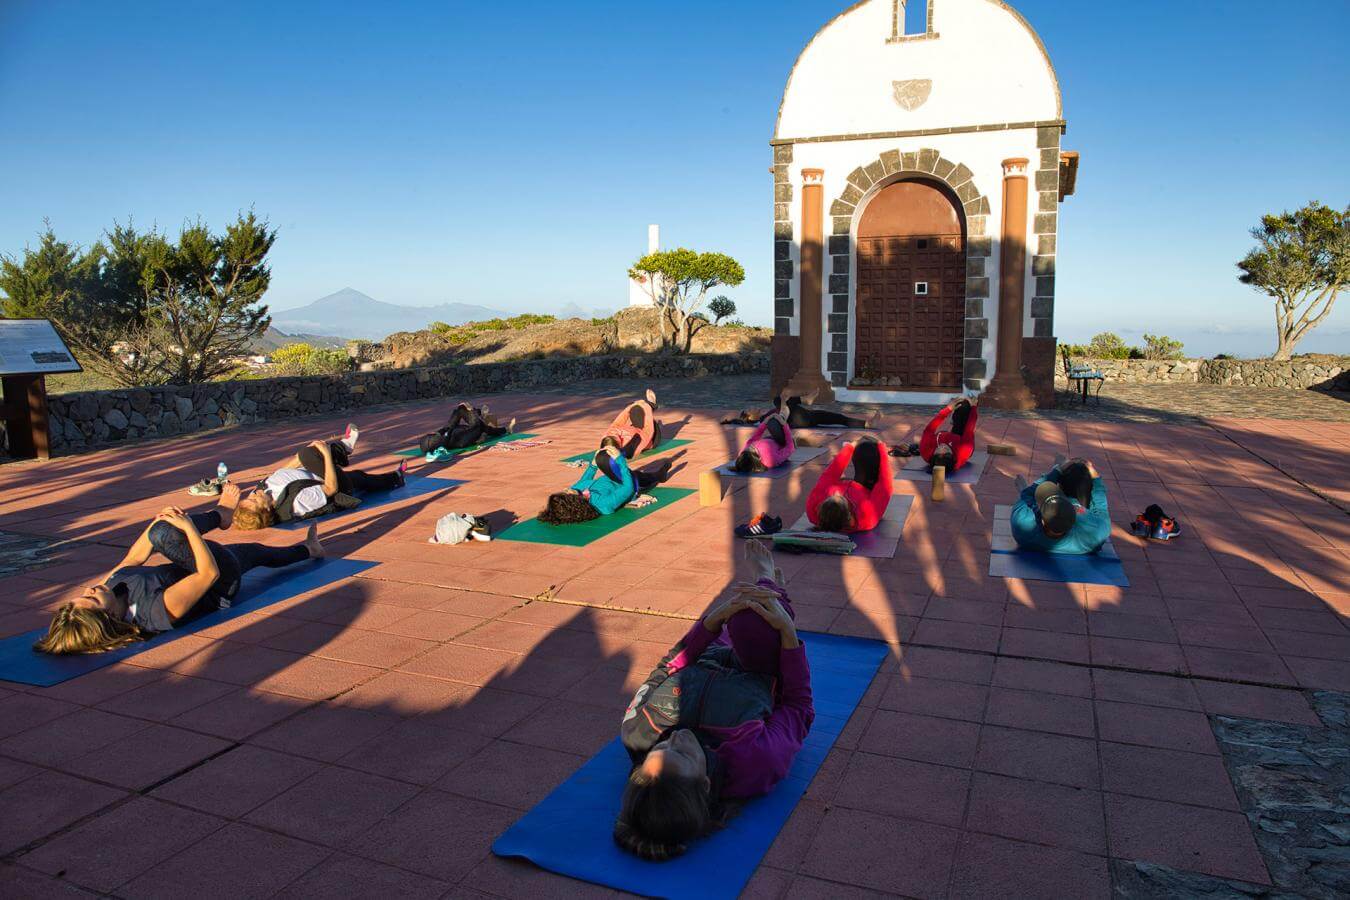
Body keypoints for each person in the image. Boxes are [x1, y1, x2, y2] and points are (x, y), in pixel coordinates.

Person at [614, 540, 812, 860]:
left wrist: (711, 623)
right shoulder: (757, 760)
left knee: (737, 612)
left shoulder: (638, 732)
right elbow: (798, 707)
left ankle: (766, 592)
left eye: (662, 747)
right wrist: (788, 633)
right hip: (756, 672)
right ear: (705, 784)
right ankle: (770, 584)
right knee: (753, 620)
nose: (675, 737)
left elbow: (668, 666)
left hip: (707, 657)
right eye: (683, 753)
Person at [34, 484, 323, 655]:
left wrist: (158, 520)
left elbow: (134, 557)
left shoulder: (114, 586)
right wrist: (185, 527)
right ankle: (223, 514)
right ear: (109, 615)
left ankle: (310, 549)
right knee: (165, 534)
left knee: (257, 553)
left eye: (82, 594)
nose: (91, 588)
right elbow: (207, 576)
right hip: (220, 582)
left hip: (205, 564)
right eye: (93, 598)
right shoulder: (152, 613)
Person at [232, 436, 407, 530]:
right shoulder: (296, 503)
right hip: (337, 486)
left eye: (250, 497)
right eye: (254, 501)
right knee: (309, 454)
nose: (254, 494)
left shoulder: (262, 492)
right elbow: (330, 488)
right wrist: (326, 456)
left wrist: (297, 459)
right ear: (267, 510)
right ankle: (341, 450)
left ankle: (396, 478)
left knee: (360, 478)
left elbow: (282, 472)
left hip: (317, 472)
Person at [538, 447, 674, 524]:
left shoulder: (577, 491)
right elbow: (628, 488)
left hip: (610, 475)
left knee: (604, 457)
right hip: (628, 482)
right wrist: (621, 461)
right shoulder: (603, 505)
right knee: (643, 477)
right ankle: (658, 475)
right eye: (566, 493)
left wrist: (593, 465)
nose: (566, 489)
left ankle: (628, 449)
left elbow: (584, 480)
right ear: (573, 502)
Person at [1010, 457, 1111, 555]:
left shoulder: (1022, 526)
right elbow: (1101, 507)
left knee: (1027, 497)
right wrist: (1096, 478)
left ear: (1042, 520)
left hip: (1034, 540)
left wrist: (1057, 470)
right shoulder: (1096, 534)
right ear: (1074, 520)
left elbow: (1026, 495)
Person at [806, 435, 893, 534]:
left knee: (863, 450)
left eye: (833, 495)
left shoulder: (813, 511)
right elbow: (885, 485)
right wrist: (882, 449)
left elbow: (830, 474)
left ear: (822, 506)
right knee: (868, 451)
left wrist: (849, 448)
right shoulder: (866, 518)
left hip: (852, 485)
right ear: (850, 516)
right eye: (841, 497)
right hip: (864, 488)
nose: (838, 494)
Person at [418, 403, 515, 455]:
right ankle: (480, 414)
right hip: (462, 438)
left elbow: (450, 425)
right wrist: (469, 409)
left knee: (481, 427)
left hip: (460, 435)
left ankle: (504, 429)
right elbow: (449, 427)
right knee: (479, 425)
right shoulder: (443, 438)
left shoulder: (440, 438)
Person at [920, 396, 979, 473]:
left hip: (946, 436)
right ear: (953, 456)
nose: (943, 447)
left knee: (957, 404)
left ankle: (955, 418)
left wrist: (948, 409)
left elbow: (929, 429)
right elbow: (969, 429)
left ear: (933, 455)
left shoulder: (925, 451)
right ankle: (957, 418)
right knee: (964, 405)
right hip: (959, 438)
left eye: (938, 451)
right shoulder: (963, 452)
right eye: (947, 451)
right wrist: (974, 407)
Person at [600, 389, 663, 460]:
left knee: (633, 408)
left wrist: (630, 407)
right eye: (616, 437)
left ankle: (647, 406)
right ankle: (652, 404)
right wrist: (647, 407)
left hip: (636, 429)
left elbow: (617, 422)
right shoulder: (631, 445)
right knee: (636, 410)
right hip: (652, 438)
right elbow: (648, 430)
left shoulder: (608, 437)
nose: (616, 433)